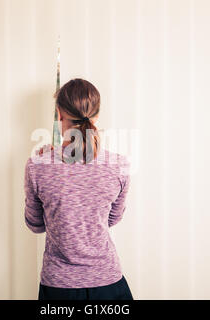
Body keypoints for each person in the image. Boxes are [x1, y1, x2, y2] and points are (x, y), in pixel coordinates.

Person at [24, 78, 133, 300]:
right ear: (96, 115)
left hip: (59, 287)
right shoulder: (119, 166)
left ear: (59, 114)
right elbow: (111, 219)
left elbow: (35, 225)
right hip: (108, 284)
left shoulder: (37, 166)